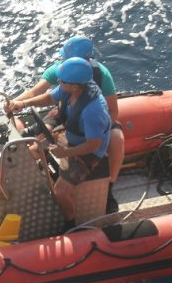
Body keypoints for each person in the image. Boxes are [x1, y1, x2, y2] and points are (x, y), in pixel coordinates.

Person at [7, 36, 124, 212]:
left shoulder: (93, 108)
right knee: (34, 149)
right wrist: (20, 103)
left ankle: (105, 191)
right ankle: (42, 182)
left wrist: (70, 149)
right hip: (71, 124)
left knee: (115, 139)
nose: (58, 82)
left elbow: (94, 142)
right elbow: (45, 95)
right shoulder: (68, 78)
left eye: (62, 81)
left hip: (87, 137)